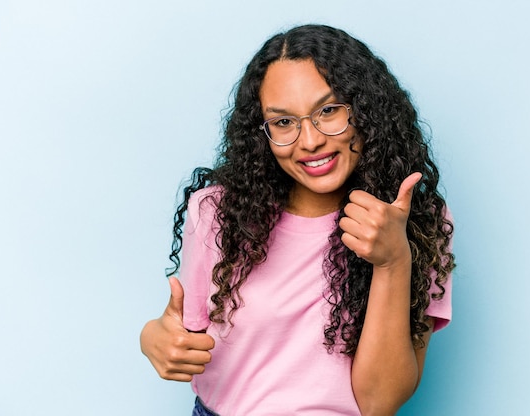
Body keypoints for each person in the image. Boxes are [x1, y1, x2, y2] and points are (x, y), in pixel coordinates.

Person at [140, 24, 455, 416]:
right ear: (262, 133)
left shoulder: (419, 220)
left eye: (328, 111)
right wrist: (151, 338)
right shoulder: (217, 213)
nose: (310, 142)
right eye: (284, 122)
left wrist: (393, 260)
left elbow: (380, 403)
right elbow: (182, 335)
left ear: (366, 110)